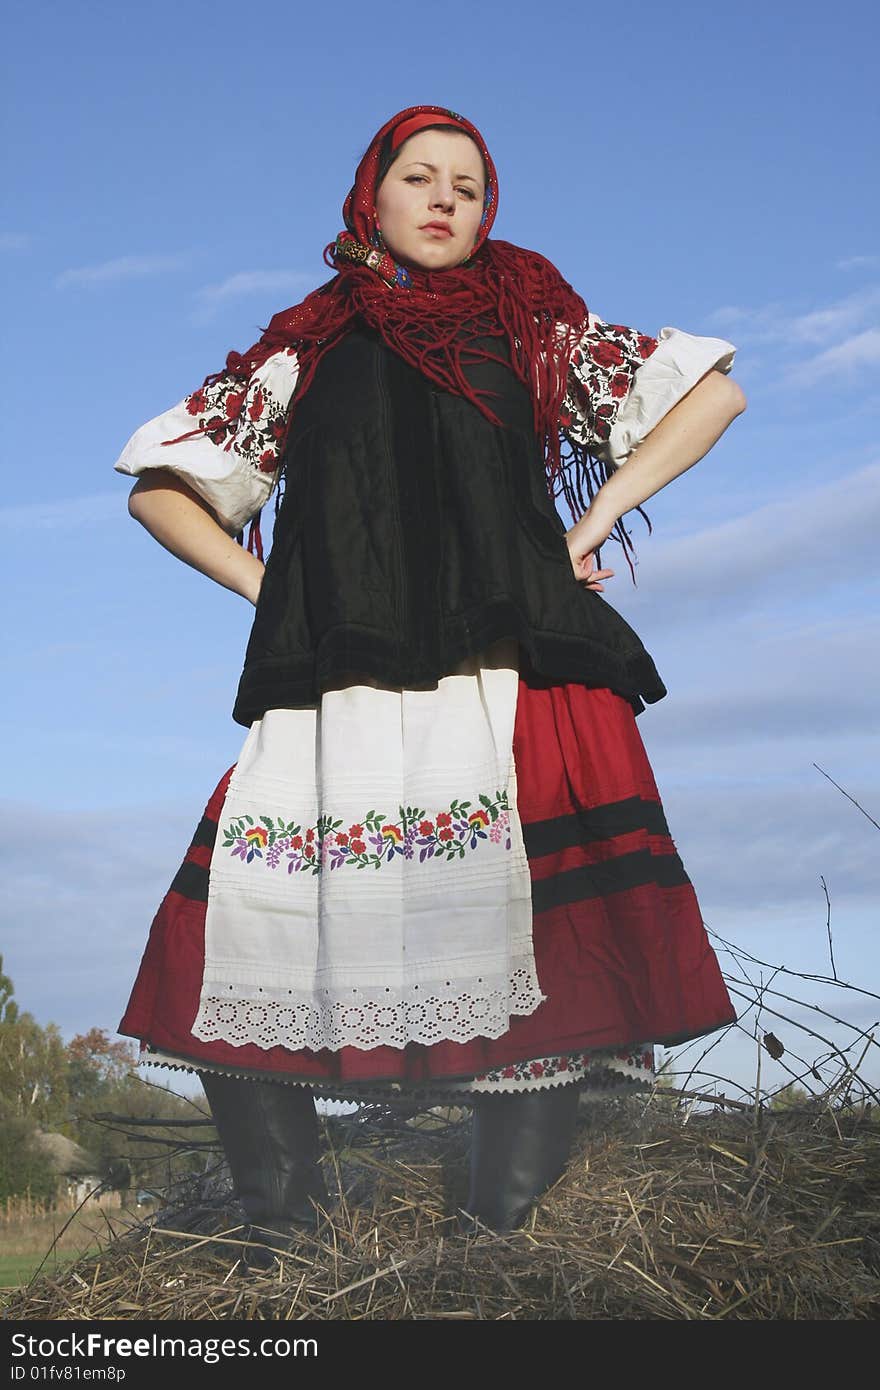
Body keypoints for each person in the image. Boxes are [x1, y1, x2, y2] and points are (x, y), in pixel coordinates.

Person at [114, 105, 744, 1264]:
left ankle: (488, 1247)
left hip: (510, 666)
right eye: (420, 177)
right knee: (235, 946)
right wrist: (278, 592)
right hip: (337, 681)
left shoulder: (534, 323)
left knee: (537, 962)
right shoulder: (303, 347)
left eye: (468, 182)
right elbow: (161, 484)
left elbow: (712, 395)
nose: (446, 198)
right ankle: (287, 1240)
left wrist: (585, 524)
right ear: (374, 198)